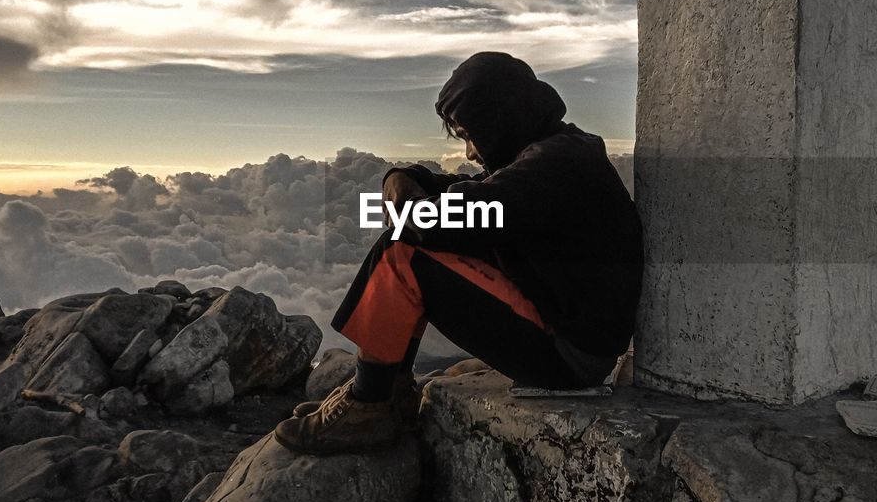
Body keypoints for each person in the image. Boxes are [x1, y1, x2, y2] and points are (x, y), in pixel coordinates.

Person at [274, 51, 643, 455]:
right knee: (406, 241)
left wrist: (405, 204)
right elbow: (469, 188)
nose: (469, 151)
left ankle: (370, 404)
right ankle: (388, 392)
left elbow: (452, 217)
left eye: (471, 134)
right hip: (570, 332)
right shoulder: (550, 150)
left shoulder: (555, 164)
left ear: (500, 118)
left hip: (570, 354)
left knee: (404, 253)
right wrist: (401, 177)